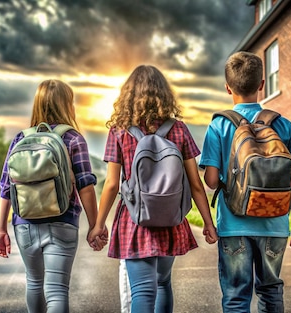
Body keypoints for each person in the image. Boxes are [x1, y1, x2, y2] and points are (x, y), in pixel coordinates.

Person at [89, 65, 218, 313]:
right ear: (164, 94)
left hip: (135, 219)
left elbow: (113, 184)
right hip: (170, 218)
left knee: (142, 291)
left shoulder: (119, 131)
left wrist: (99, 224)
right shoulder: (178, 129)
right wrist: (208, 223)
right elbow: (195, 184)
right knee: (162, 283)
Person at [199, 51, 291, 313]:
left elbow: (212, 181)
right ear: (262, 84)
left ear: (228, 87)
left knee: (236, 296)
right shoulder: (282, 125)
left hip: (233, 226)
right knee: (271, 292)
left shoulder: (219, 126)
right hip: (275, 224)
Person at [0, 79, 104, 313]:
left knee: (34, 283)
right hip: (62, 222)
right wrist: (95, 225)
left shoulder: (20, 139)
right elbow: (85, 185)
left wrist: (2, 230)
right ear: (68, 105)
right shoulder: (73, 138)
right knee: (56, 290)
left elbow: (6, 187)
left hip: (24, 224)